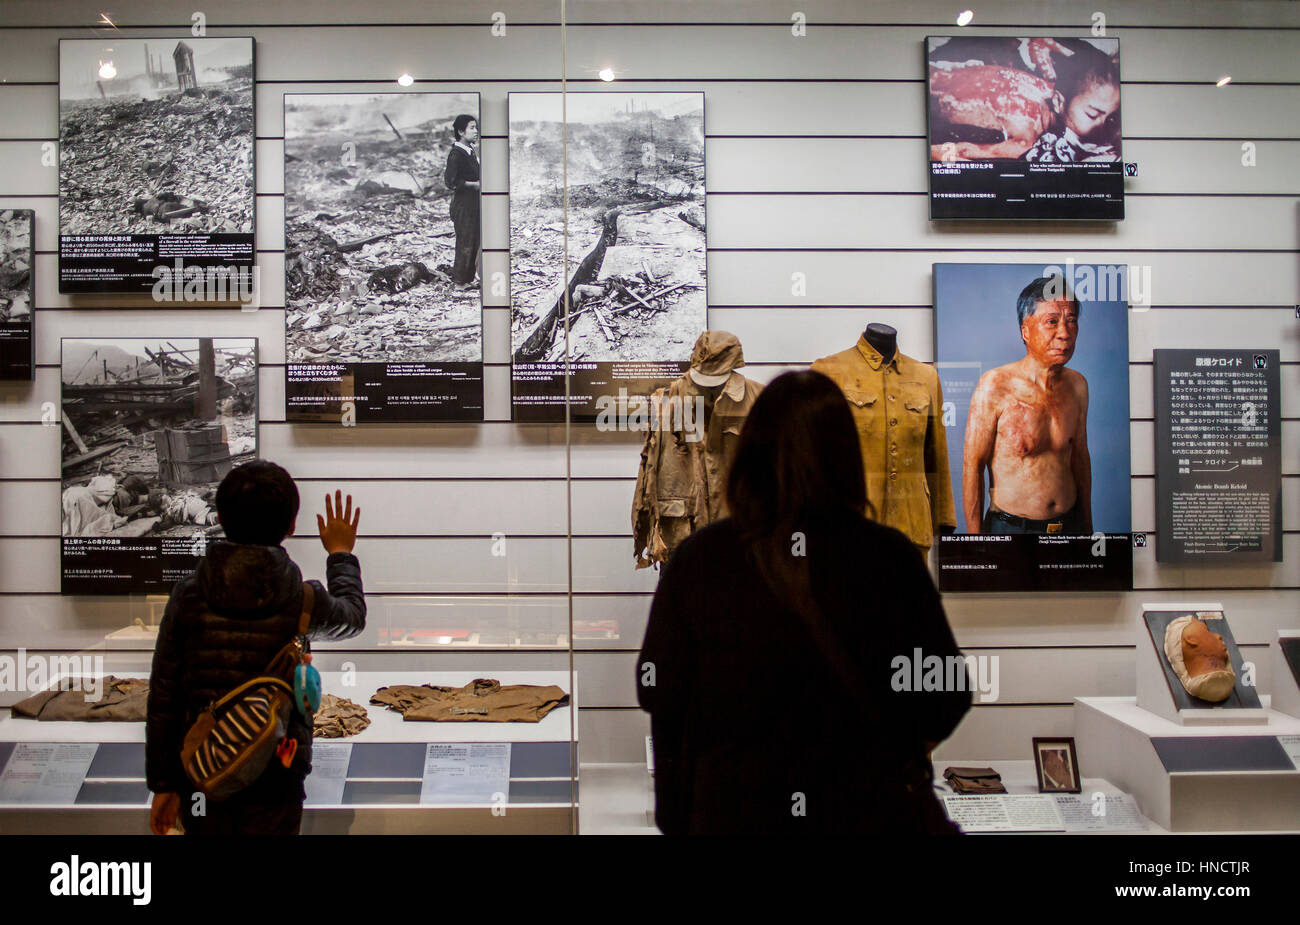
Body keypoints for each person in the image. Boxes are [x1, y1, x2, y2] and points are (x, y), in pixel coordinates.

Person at [637, 371, 971, 834]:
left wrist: (680, 814)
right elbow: (945, 696)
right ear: (848, 458)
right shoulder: (888, 558)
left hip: (736, 815)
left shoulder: (701, 561)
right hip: (864, 813)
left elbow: (659, 692)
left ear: (749, 454)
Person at [146, 461, 366, 835]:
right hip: (278, 772)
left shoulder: (188, 595)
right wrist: (340, 553)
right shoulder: (302, 597)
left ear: (221, 516)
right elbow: (352, 617)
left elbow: (164, 697)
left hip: (204, 772)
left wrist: (164, 785)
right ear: (292, 525)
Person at [963, 276, 1091, 535]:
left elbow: (1079, 459)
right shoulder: (995, 385)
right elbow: (972, 466)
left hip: (1067, 526)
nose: (1064, 333)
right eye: (1052, 322)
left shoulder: (1077, 385)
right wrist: (974, 544)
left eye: (1071, 321)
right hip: (1011, 530)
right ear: (1025, 330)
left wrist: (1087, 529)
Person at [444, 113, 481, 289]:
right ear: (460, 131)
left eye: (476, 127)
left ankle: (467, 279)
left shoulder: (470, 152)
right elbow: (451, 182)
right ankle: (459, 282)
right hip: (463, 206)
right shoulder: (456, 154)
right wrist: (474, 185)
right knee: (465, 241)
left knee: (473, 240)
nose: (476, 131)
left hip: (473, 204)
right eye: (472, 128)